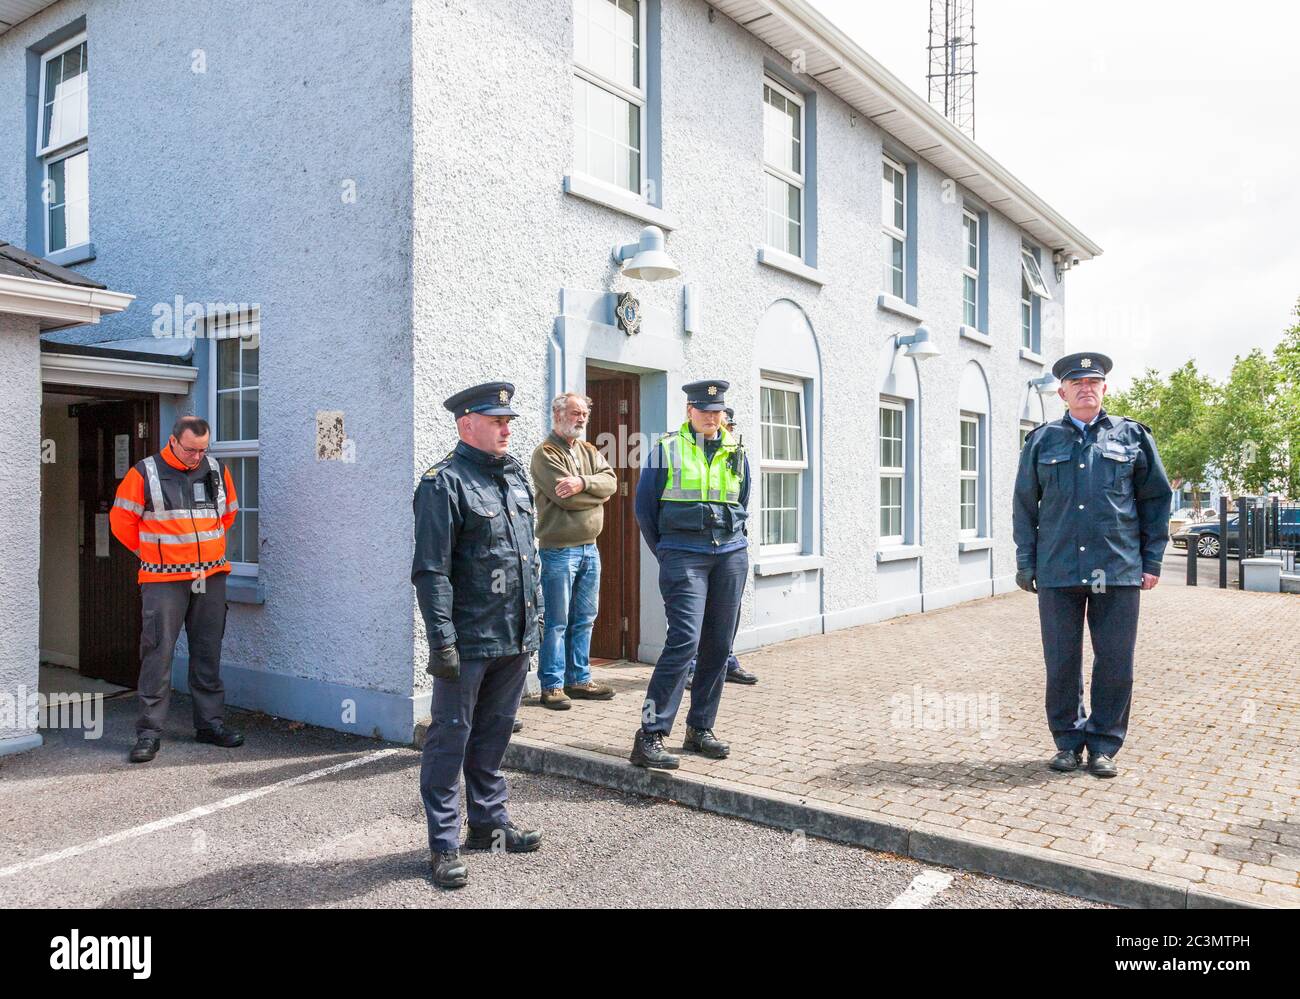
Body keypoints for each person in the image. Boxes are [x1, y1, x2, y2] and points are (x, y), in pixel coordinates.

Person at [1013, 353, 1172, 779]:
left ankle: (1103, 744)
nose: (1086, 387)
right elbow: (1025, 507)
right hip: (1058, 569)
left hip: (1116, 568)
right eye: (1076, 382)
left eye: (1094, 381)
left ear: (1105, 389)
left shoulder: (1133, 437)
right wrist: (1025, 562)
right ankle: (1067, 742)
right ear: (1062, 392)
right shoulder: (1043, 441)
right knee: (1062, 661)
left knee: (1116, 661)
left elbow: (1156, 500)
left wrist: (1152, 558)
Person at [412, 382, 543, 889]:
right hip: (468, 640)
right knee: (449, 739)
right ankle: (443, 845)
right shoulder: (442, 483)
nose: (507, 427)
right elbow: (431, 570)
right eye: (497, 420)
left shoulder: (513, 478)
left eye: (508, 419)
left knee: (494, 734)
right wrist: (441, 640)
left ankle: (488, 824)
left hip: (513, 636)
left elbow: (527, 559)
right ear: (467, 424)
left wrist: (533, 625)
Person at [630, 380, 750, 769]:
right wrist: (666, 553)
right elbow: (645, 509)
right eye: (704, 410)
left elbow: (742, 498)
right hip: (684, 556)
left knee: (718, 645)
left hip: (730, 554)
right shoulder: (666, 449)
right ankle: (650, 734)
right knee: (684, 641)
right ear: (689, 411)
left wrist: (734, 542)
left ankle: (700, 729)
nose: (712, 417)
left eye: (717, 411)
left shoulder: (736, 449)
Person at [109, 416, 242, 764]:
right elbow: (121, 521)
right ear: (173, 441)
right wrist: (153, 552)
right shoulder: (145, 473)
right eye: (190, 449)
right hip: (163, 579)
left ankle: (210, 725)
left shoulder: (216, 470)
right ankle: (149, 733)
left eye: (202, 449)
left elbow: (228, 514)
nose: (196, 456)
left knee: (207, 651)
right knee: (158, 653)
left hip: (210, 576)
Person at [530, 392, 618, 710]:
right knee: (556, 621)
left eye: (584, 413)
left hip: (589, 549)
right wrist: (591, 492)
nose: (581, 419)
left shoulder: (588, 449)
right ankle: (552, 685)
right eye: (575, 413)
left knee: (584, 618)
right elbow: (564, 498)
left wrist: (582, 483)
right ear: (557, 415)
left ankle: (578, 679)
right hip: (559, 551)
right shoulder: (545, 454)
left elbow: (611, 483)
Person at [685, 406, 756, 690]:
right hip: (696, 548)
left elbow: (743, 498)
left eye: (729, 423)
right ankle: (692, 667)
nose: (728, 428)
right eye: (728, 422)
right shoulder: (687, 450)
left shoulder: (735, 453)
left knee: (730, 611)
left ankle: (726, 660)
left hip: (730, 546)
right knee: (696, 613)